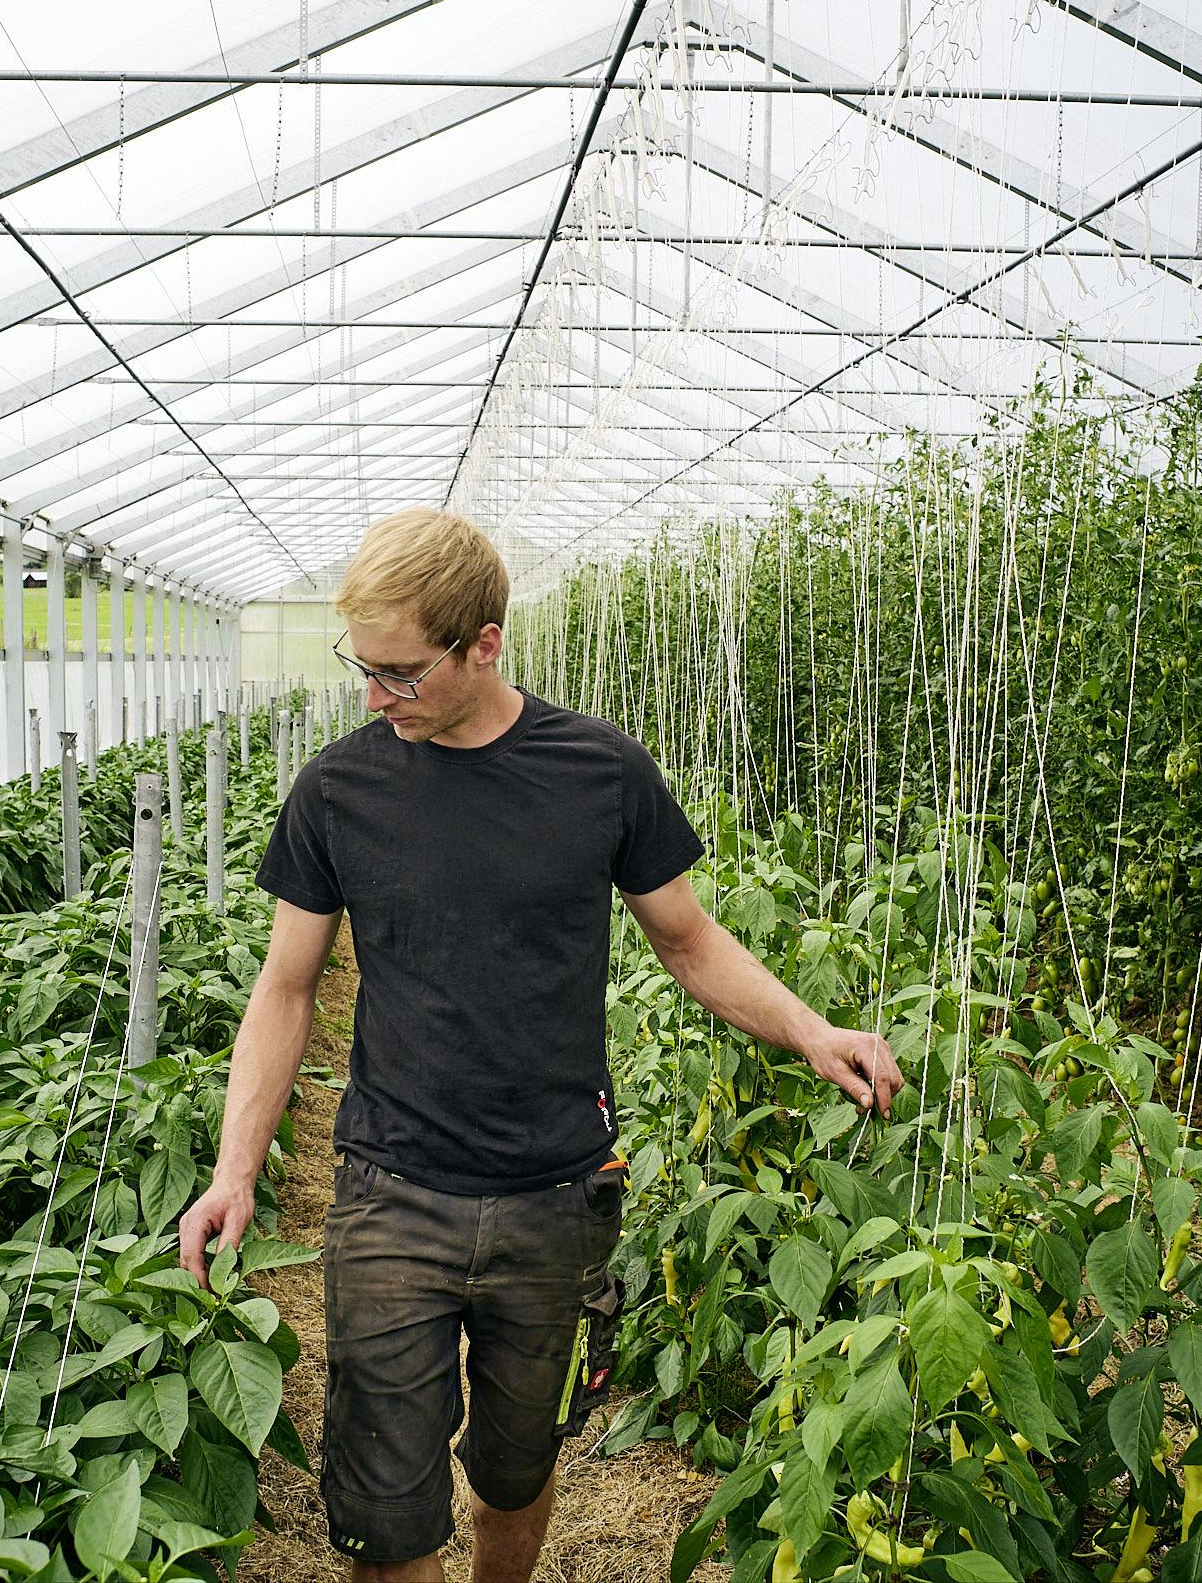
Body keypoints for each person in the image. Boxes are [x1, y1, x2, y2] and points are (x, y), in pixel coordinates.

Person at [177, 508, 906, 1583]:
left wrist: (811, 1029)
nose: (373, 697)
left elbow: (687, 938)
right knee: (387, 1518)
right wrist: (235, 1170)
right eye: (362, 668)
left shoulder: (598, 770)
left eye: (400, 673)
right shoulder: (337, 788)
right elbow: (286, 989)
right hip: (391, 1194)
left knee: (514, 1481)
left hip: (558, 1197)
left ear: (483, 643)